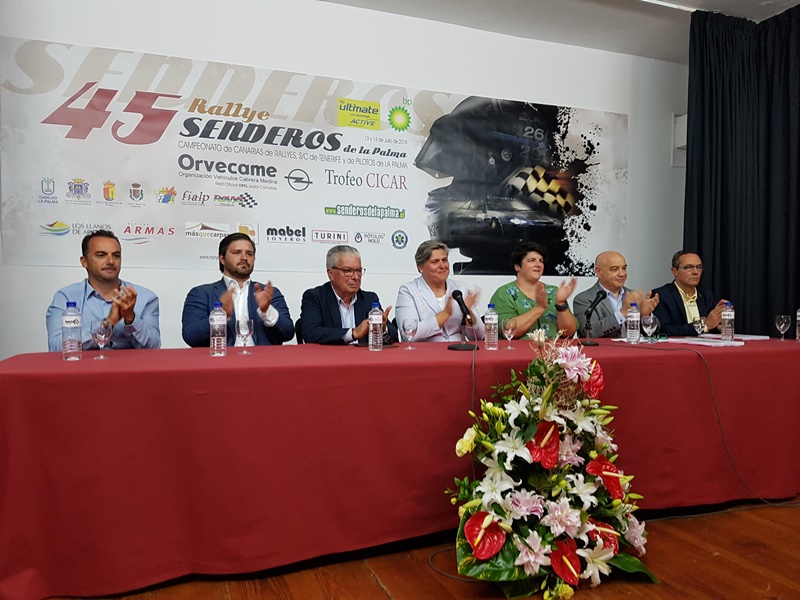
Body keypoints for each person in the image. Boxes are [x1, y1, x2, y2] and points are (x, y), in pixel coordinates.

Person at [45, 229, 160, 351]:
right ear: (84, 262)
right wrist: (107, 324)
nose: (110, 261)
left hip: (131, 364)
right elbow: (56, 347)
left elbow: (154, 347)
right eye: (101, 255)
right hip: (86, 364)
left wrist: (131, 319)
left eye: (116, 256)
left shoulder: (145, 298)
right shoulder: (66, 297)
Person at [181, 232, 294, 347]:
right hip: (222, 357)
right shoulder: (201, 293)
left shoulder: (268, 293)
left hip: (262, 357)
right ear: (222, 258)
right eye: (237, 252)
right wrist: (220, 315)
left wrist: (267, 311)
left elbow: (288, 333)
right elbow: (191, 336)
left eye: (249, 254)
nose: (244, 258)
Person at [300, 245, 397, 345]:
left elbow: (394, 334)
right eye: (348, 271)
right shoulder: (315, 297)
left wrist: (383, 329)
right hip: (330, 354)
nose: (356, 277)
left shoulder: (369, 299)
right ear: (331, 274)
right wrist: (353, 333)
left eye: (358, 271)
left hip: (364, 355)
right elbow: (310, 333)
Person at [395, 241, 485, 343]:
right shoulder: (408, 291)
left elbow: (480, 336)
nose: (442, 266)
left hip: (459, 349)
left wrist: (468, 313)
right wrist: (445, 314)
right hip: (426, 351)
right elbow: (409, 334)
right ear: (420, 267)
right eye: (435, 262)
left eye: (444, 260)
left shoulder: (460, 288)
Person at [489, 242, 578, 338]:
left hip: (553, 347)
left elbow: (569, 332)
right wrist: (539, 308)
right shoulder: (504, 294)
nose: (538, 264)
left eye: (541, 261)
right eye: (532, 260)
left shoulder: (553, 292)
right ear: (517, 267)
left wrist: (561, 304)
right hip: (519, 348)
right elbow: (508, 330)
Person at [573, 251, 660, 338]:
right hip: (605, 347)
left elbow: (656, 332)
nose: (622, 274)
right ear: (599, 272)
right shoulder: (584, 299)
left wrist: (646, 316)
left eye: (624, 268)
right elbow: (589, 333)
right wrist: (622, 313)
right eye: (614, 269)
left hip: (633, 346)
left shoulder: (632, 296)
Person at [652, 250, 728, 337]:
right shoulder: (661, 296)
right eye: (689, 267)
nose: (695, 272)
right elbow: (664, 330)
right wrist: (704, 326)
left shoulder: (706, 296)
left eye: (699, 267)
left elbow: (712, 326)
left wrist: (720, 324)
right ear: (674, 271)